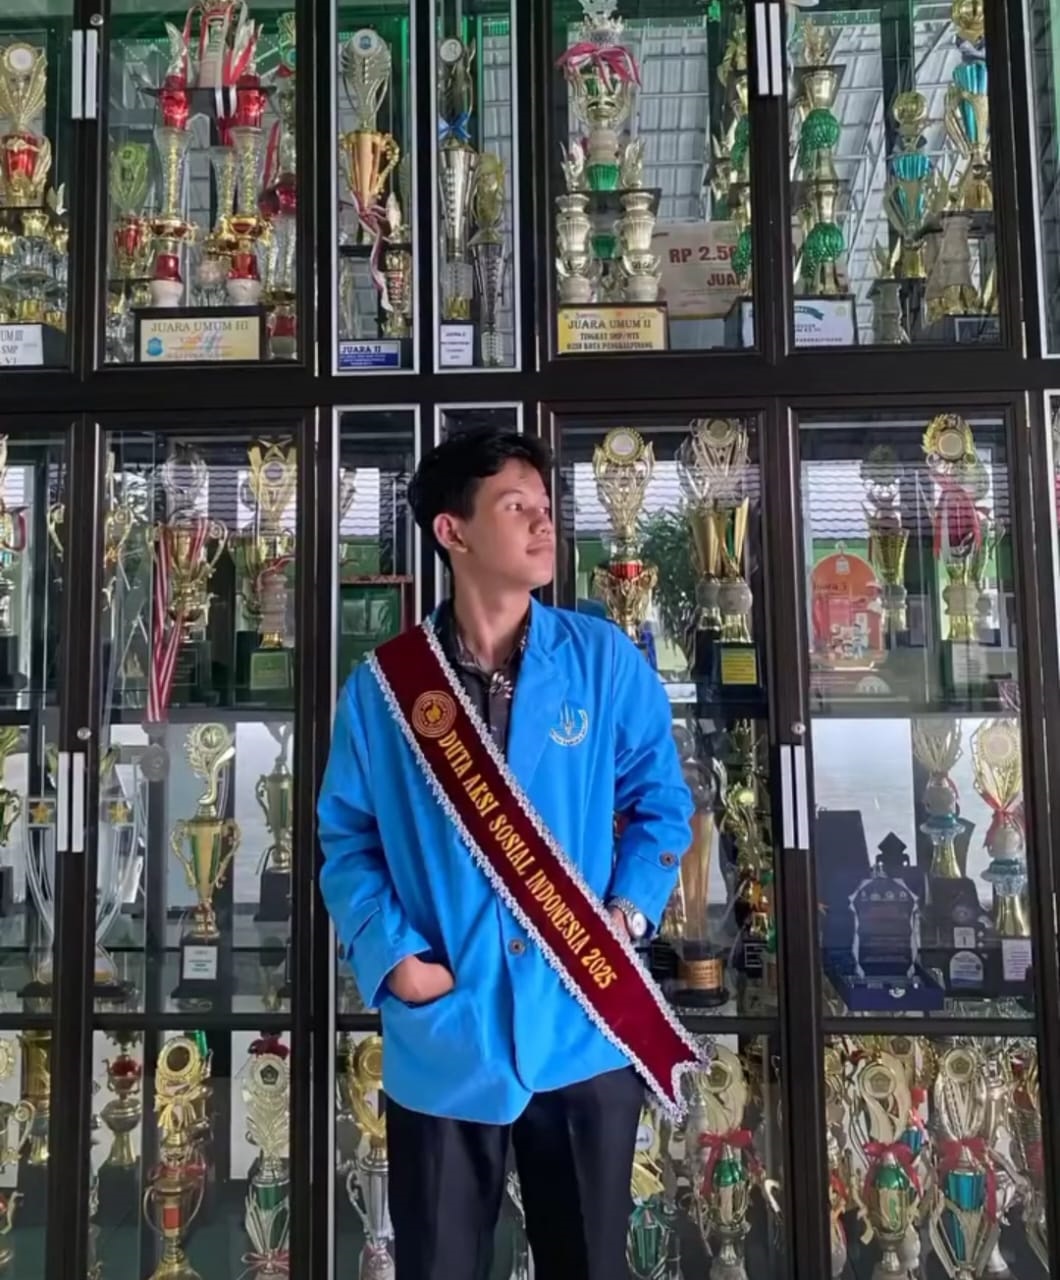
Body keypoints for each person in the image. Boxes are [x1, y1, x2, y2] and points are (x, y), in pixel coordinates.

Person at [317, 430, 698, 1280]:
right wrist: (394, 958)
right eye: (515, 506)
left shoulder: (602, 662)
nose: (542, 524)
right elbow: (346, 839)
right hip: (448, 1035)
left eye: (546, 507)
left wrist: (626, 915)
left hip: (582, 1024)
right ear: (452, 531)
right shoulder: (385, 688)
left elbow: (664, 805)